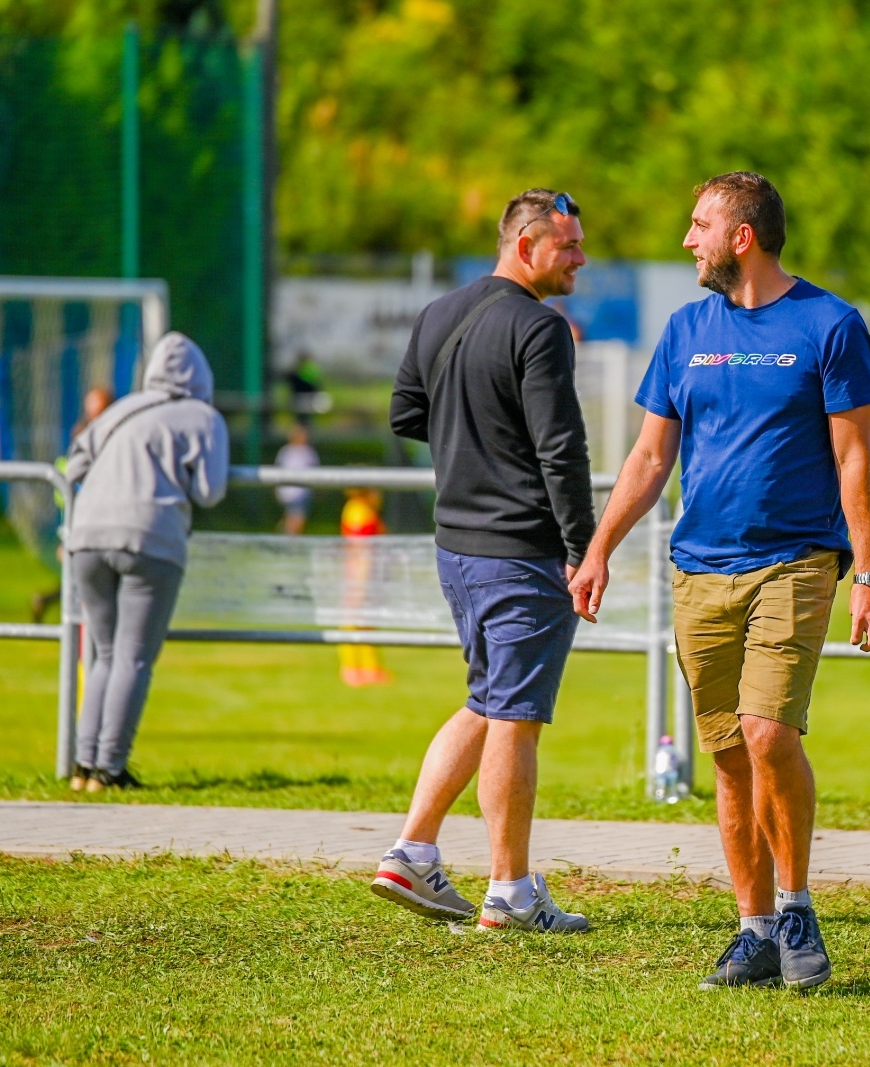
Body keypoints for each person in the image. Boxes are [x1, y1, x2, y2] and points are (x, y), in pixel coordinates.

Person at [570, 172, 870, 991]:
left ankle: (796, 905)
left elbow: (856, 461)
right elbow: (649, 456)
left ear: (741, 236)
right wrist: (600, 546)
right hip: (699, 570)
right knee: (726, 754)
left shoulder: (831, 325)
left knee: (767, 733)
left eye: (700, 224)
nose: (689, 240)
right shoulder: (685, 330)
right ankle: (752, 932)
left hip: (796, 561)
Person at [374, 189, 595, 933]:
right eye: (568, 246)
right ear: (526, 245)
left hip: (457, 549)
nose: (580, 258)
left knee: (488, 698)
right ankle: (511, 890)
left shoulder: (440, 312)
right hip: (521, 552)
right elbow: (560, 449)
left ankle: (410, 852)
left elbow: (407, 413)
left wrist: (470, 446)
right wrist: (582, 547)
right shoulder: (541, 327)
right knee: (516, 717)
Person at [64, 333, 228, 791]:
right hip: (150, 539)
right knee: (133, 658)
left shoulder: (122, 409)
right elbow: (210, 491)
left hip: (88, 537)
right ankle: (111, 768)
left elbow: (72, 468)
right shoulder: (203, 417)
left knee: (103, 654)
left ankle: (83, 767)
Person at [31, 386, 115, 623]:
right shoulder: (83, 437)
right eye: (91, 411)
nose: (94, 418)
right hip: (84, 533)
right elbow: (72, 492)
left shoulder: (119, 439)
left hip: (112, 534)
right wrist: (66, 535)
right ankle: (81, 658)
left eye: (100, 410)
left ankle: (45, 601)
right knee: (83, 597)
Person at [337, 487, 391, 687]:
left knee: (366, 620)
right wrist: (361, 577)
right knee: (353, 618)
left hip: (364, 571)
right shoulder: (359, 512)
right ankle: (351, 668)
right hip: (360, 571)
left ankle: (370, 668)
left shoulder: (361, 510)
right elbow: (362, 549)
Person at [274, 423, 319, 535]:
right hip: (293, 492)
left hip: (300, 491)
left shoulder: (307, 452)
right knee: (298, 517)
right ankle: (289, 537)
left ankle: (287, 534)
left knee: (294, 516)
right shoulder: (287, 451)